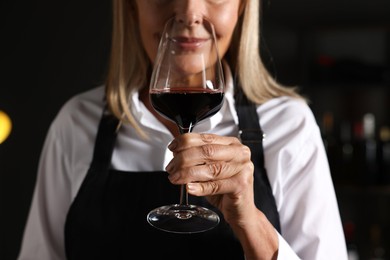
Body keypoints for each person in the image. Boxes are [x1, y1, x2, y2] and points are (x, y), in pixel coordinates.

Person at [18, 0, 348, 259]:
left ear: (242, 6)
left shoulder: (289, 126)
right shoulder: (76, 124)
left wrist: (251, 221)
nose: (190, 13)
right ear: (132, 5)